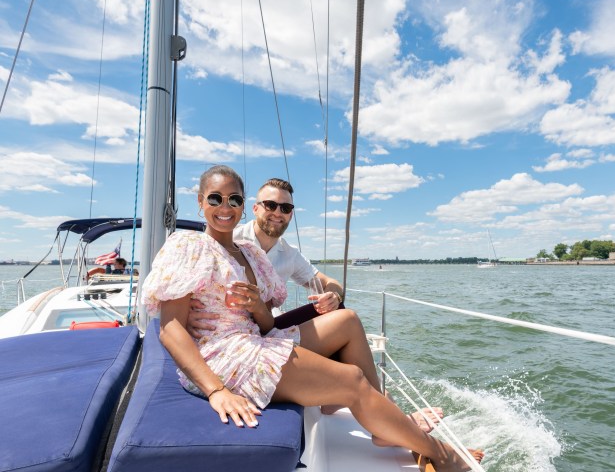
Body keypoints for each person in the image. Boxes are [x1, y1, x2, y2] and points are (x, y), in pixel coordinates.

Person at [142, 165, 483, 471]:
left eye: (233, 200)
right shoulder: (187, 246)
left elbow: (265, 324)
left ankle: (382, 421)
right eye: (215, 198)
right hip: (222, 357)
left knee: (346, 320)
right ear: (201, 201)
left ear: (243, 205)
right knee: (352, 379)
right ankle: (441, 453)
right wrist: (216, 391)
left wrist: (260, 305)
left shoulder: (248, 253)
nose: (225, 207)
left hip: (254, 339)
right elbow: (171, 330)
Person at [187, 177, 443, 432]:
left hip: (266, 324)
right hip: (236, 335)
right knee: (341, 320)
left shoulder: (289, 254)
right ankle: (386, 417)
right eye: (271, 205)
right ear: (254, 208)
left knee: (340, 311)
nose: (278, 213)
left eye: (286, 209)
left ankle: (383, 414)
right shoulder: (233, 239)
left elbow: (327, 281)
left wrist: (333, 294)